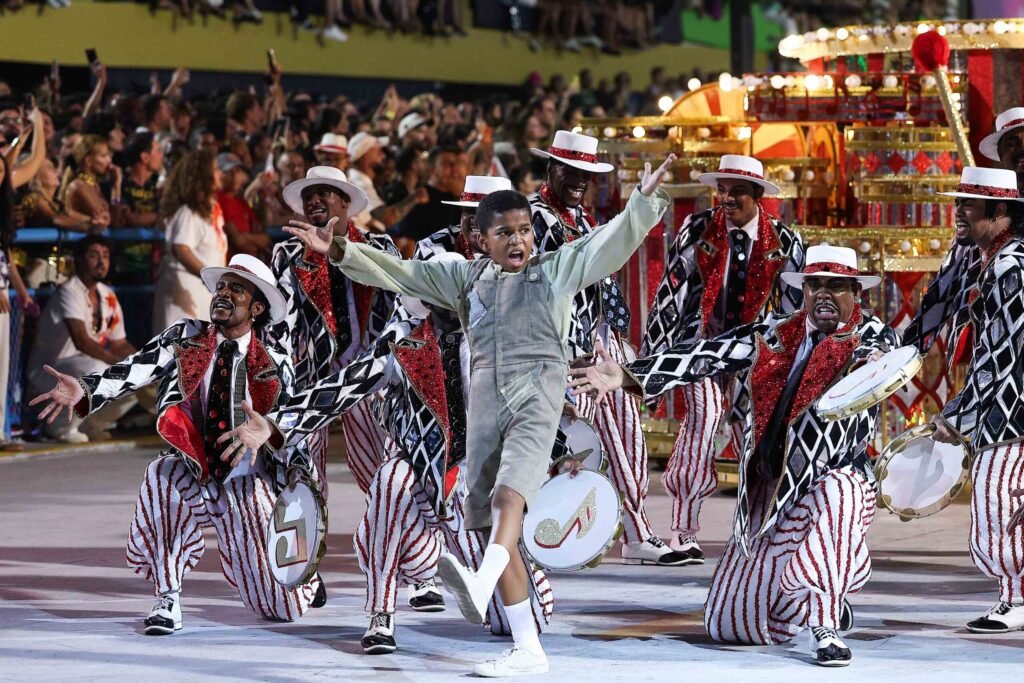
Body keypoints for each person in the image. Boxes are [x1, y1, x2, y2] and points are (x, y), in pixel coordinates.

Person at [276, 154, 673, 676]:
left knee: (511, 495)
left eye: (525, 230)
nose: (517, 241)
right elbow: (404, 272)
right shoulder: (466, 279)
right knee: (488, 521)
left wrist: (641, 204)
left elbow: (607, 245)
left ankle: (484, 579)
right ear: (481, 240)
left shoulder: (555, 270)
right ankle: (528, 649)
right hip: (486, 406)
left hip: (538, 396)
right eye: (504, 233)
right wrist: (342, 250)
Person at [569, 244, 897, 667]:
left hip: (836, 480)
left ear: (856, 293)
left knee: (838, 496)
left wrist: (875, 363)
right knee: (730, 623)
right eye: (815, 286)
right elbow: (705, 355)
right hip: (776, 489)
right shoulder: (777, 331)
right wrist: (631, 374)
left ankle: (825, 623)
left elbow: (883, 359)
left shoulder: (869, 336)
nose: (824, 295)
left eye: (836, 286)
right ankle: (821, 588)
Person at [30, 254, 323, 635]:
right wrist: (87, 388)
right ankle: (167, 595)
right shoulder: (185, 337)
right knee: (161, 475)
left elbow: (296, 421)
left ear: (257, 307)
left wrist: (282, 450)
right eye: (221, 286)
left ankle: (304, 582)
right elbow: (136, 368)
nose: (223, 294)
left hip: (247, 483)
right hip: (194, 471)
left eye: (236, 289)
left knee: (283, 609)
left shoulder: (275, 360)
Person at [529, 130, 686, 566]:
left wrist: (615, 341)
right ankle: (547, 537)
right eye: (571, 170)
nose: (579, 180)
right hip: (565, 346)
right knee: (569, 442)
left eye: (586, 173)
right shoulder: (533, 218)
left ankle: (636, 533)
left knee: (628, 439)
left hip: (601, 341)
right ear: (551, 169)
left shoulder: (582, 218)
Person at [642, 154, 805, 562]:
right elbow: (670, 293)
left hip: (753, 355)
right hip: (701, 347)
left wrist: (788, 373)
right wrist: (652, 364)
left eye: (735, 192)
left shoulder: (786, 242)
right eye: (722, 190)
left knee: (755, 438)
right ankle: (683, 531)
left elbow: (791, 314)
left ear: (756, 196)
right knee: (705, 416)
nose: (726, 199)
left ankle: (756, 532)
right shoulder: (698, 229)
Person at [928, 167, 1024, 634]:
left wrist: (959, 414)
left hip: (1010, 413)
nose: (958, 213)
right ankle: (1012, 596)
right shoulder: (994, 258)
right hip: (1007, 408)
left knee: (996, 502)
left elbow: (1000, 353)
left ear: (1000, 212)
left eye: (968, 204)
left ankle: (1015, 598)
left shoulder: (1010, 265)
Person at [268, 165, 396, 502]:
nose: (314, 202)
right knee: (301, 469)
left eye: (323, 194)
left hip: (366, 371)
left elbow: (400, 298)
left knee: (382, 470)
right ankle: (305, 546)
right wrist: (282, 377)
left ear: (344, 202)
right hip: (309, 375)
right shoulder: (289, 254)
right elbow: (279, 321)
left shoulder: (377, 245)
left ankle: (391, 539)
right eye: (308, 197)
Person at [27, 235, 138, 443]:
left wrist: (143, 363)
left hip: (80, 370)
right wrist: (116, 363)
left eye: (105, 256)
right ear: (79, 260)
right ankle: (59, 427)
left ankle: (92, 425)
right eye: (94, 255)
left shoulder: (108, 295)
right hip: (50, 373)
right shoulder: (69, 291)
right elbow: (81, 341)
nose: (102, 262)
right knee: (97, 369)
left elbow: (120, 344)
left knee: (138, 378)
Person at [152, 149, 228, 331]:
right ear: (203, 175)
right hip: (183, 294)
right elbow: (181, 249)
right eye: (215, 169)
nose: (220, 173)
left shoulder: (210, 210)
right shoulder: (188, 212)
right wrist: (208, 276)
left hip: (202, 294)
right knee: (179, 353)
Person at [346, 131, 427, 232]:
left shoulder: (361, 180)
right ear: (366, 155)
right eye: (378, 151)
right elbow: (386, 218)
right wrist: (415, 197)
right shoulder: (358, 182)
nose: (383, 156)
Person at [215, 152, 271, 258]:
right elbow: (239, 243)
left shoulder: (241, 201)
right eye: (228, 171)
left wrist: (246, 236)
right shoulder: (218, 201)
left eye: (237, 170)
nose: (234, 175)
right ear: (218, 174)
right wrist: (254, 239)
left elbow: (265, 239)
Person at [20, 157, 98, 231]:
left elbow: (71, 214)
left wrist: (95, 220)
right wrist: (89, 226)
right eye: (49, 167)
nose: (56, 170)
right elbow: (56, 218)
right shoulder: (33, 199)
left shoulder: (57, 203)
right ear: (34, 176)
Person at [63, 134, 113, 232]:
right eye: (103, 156)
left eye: (109, 155)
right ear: (88, 160)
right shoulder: (80, 185)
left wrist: (117, 187)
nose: (109, 160)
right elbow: (105, 220)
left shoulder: (93, 185)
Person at [118, 132, 163, 228]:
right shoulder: (120, 184)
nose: (161, 156)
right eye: (158, 151)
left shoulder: (156, 186)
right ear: (145, 157)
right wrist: (160, 218)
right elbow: (127, 218)